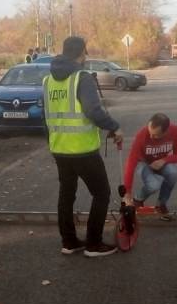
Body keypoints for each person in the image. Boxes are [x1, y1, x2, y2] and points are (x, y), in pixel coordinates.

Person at [44, 36, 123, 257]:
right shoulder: (82, 77)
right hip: (83, 150)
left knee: (66, 195)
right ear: (81, 53)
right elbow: (92, 111)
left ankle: (69, 242)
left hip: (59, 149)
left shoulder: (47, 81)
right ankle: (93, 244)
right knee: (101, 193)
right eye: (85, 52)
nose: (86, 56)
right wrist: (114, 126)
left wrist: (52, 141)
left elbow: (47, 116)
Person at [122, 113, 177, 218]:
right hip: (144, 163)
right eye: (150, 132)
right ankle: (138, 199)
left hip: (161, 162)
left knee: (173, 173)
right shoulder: (142, 135)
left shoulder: (176, 131)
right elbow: (131, 163)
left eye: (155, 135)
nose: (151, 136)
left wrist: (164, 160)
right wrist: (127, 192)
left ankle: (161, 204)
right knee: (154, 185)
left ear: (166, 131)